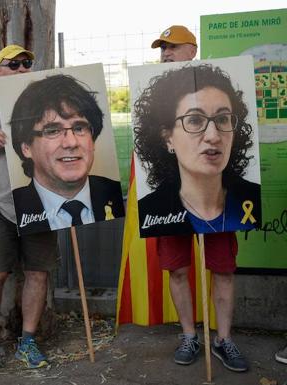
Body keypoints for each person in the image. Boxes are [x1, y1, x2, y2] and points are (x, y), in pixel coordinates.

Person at [134, 28, 251, 372]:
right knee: (178, 270)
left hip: (221, 210)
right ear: (166, 138)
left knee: (224, 270)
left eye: (172, 47)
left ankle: (224, 340)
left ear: (192, 49)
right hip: (172, 205)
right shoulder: (158, 203)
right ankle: (189, 336)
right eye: (162, 48)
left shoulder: (241, 198)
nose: (165, 53)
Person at [0, 45, 58, 370]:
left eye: (26, 64)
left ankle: (28, 342)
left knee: (37, 274)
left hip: (41, 202)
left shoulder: (48, 106)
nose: (20, 69)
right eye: (12, 64)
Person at [134, 64, 260, 237]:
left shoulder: (253, 199)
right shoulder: (149, 212)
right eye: (194, 120)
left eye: (223, 119)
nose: (213, 136)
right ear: (167, 137)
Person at [9, 74, 124, 234]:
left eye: (79, 128)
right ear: (26, 147)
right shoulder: (10, 210)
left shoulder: (119, 197)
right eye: (53, 130)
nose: (71, 142)